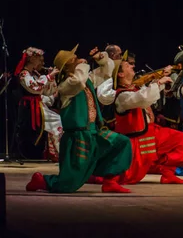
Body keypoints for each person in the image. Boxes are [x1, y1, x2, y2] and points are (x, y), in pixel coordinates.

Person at [25, 44, 132, 193]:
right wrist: (83, 65)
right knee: (68, 185)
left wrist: (101, 59)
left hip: (94, 132)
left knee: (122, 143)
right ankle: (42, 181)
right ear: (68, 66)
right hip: (77, 137)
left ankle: (109, 181)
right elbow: (78, 82)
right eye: (74, 59)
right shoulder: (65, 86)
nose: (78, 59)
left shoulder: (86, 79)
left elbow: (107, 72)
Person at [110, 51, 183, 184]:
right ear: (120, 74)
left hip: (151, 133)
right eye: (128, 65)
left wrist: (159, 80)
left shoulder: (134, 89)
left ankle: (167, 173)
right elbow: (143, 98)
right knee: (127, 177)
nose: (133, 66)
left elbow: (145, 95)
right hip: (137, 141)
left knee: (182, 140)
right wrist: (159, 83)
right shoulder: (122, 96)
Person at [14, 47, 61, 161]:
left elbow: (45, 91)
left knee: (56, 120)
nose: (42, 62)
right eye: (40, 59)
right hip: (30, 108)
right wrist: (49, 77)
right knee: (56, 121)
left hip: (37, 105)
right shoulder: (24, 74)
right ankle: (56, 152)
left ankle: (54, 152)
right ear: (32, 59)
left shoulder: (34, 74)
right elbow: (34, 87)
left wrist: (51, 78)